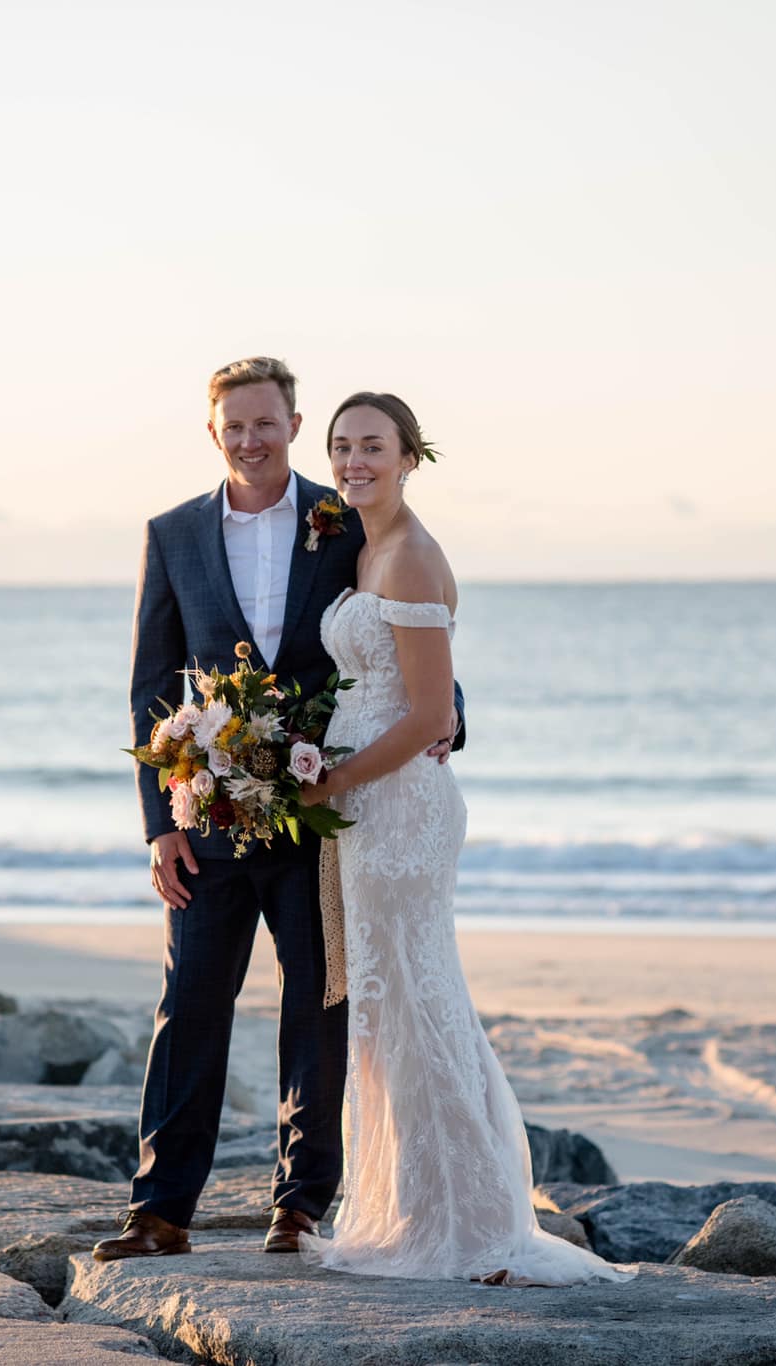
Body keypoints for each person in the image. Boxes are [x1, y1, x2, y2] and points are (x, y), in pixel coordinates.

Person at [95, 358, 461, 1262]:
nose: (252, 439)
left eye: (268, 422)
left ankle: (299, 1206)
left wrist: (453, 714)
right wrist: (160, 824)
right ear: (213, 432)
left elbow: (406, 626)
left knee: (320, 1002)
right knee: (191, 1005)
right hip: (211, 816)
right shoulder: (172, 533)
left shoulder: (344, 519)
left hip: (320, 818)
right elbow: (151, 682)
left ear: (293, 423)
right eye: (235, 426)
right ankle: (160, 1210)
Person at [296, 392, 636, 1286]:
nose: (353, 460)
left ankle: (475, 1225)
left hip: (399, 808)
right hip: (369, 808)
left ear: (412, 456)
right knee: (391, 1010)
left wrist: (330, 781)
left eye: (372, 445)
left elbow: (431, 713)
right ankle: (419, 1209)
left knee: (417, 1001)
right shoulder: (363, 544)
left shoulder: (409, 556)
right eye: (341, 446)